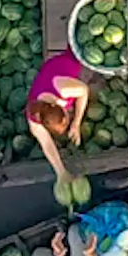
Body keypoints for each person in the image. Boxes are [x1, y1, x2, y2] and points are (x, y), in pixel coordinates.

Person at [26, 50, 93, 208]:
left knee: (81, 55)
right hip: (52, 86)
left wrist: (76, 122)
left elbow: (84, 90)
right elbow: (47, 145)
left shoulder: (63, 89)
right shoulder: (34, 117)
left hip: (70, 62)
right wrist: (61, 173)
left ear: (60, 106)